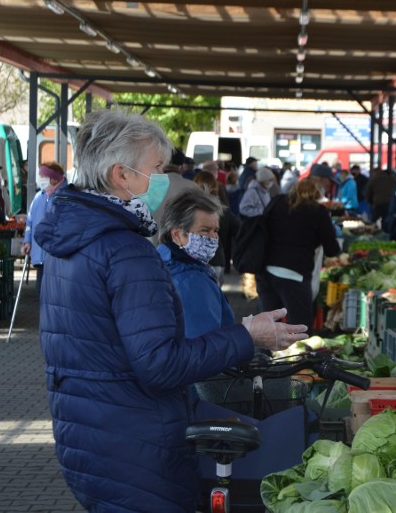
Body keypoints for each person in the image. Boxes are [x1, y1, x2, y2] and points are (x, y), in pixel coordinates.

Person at [33, 110, 308, 512]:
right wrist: (248, 336)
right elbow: (160, 364)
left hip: (89, 433)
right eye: (157, 168)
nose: (163, 179)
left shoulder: (72, 240)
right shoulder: (125, 252)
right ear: (121, 175)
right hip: (135, 444)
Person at [256, 178, 342, 326]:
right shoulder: (318, 211)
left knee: (269, 324)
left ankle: (262, 350)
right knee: (299, 328)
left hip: (265, 271)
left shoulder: (277, 201)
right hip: (294, 274)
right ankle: (294, 349)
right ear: (316, 195)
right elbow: (332, 249)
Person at [156, 187, 239, 338]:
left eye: (216, 230)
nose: (213, 237)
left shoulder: (160, 261)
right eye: (205, 231)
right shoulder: (191, 280)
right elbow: (208, 345)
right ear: (178, 235)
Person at [20, 162, 66, 294]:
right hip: (40, 256)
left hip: (57, 257)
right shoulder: (38, 197)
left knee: (55, 294)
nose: (40, 179)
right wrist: (27, 241)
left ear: (54, 178)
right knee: (41, 291)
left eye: (43, 176)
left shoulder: (66, 196)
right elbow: (30, 222)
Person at [193, 170, 240, 285]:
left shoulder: (188, 208)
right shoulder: (223, 210)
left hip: (193, 259)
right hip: (217, 259)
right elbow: (240, 229)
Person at [149, 148, 198, 244]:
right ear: (182, 167)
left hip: (151, 246)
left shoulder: (146, 186)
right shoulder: (193, 188)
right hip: (181, 247)